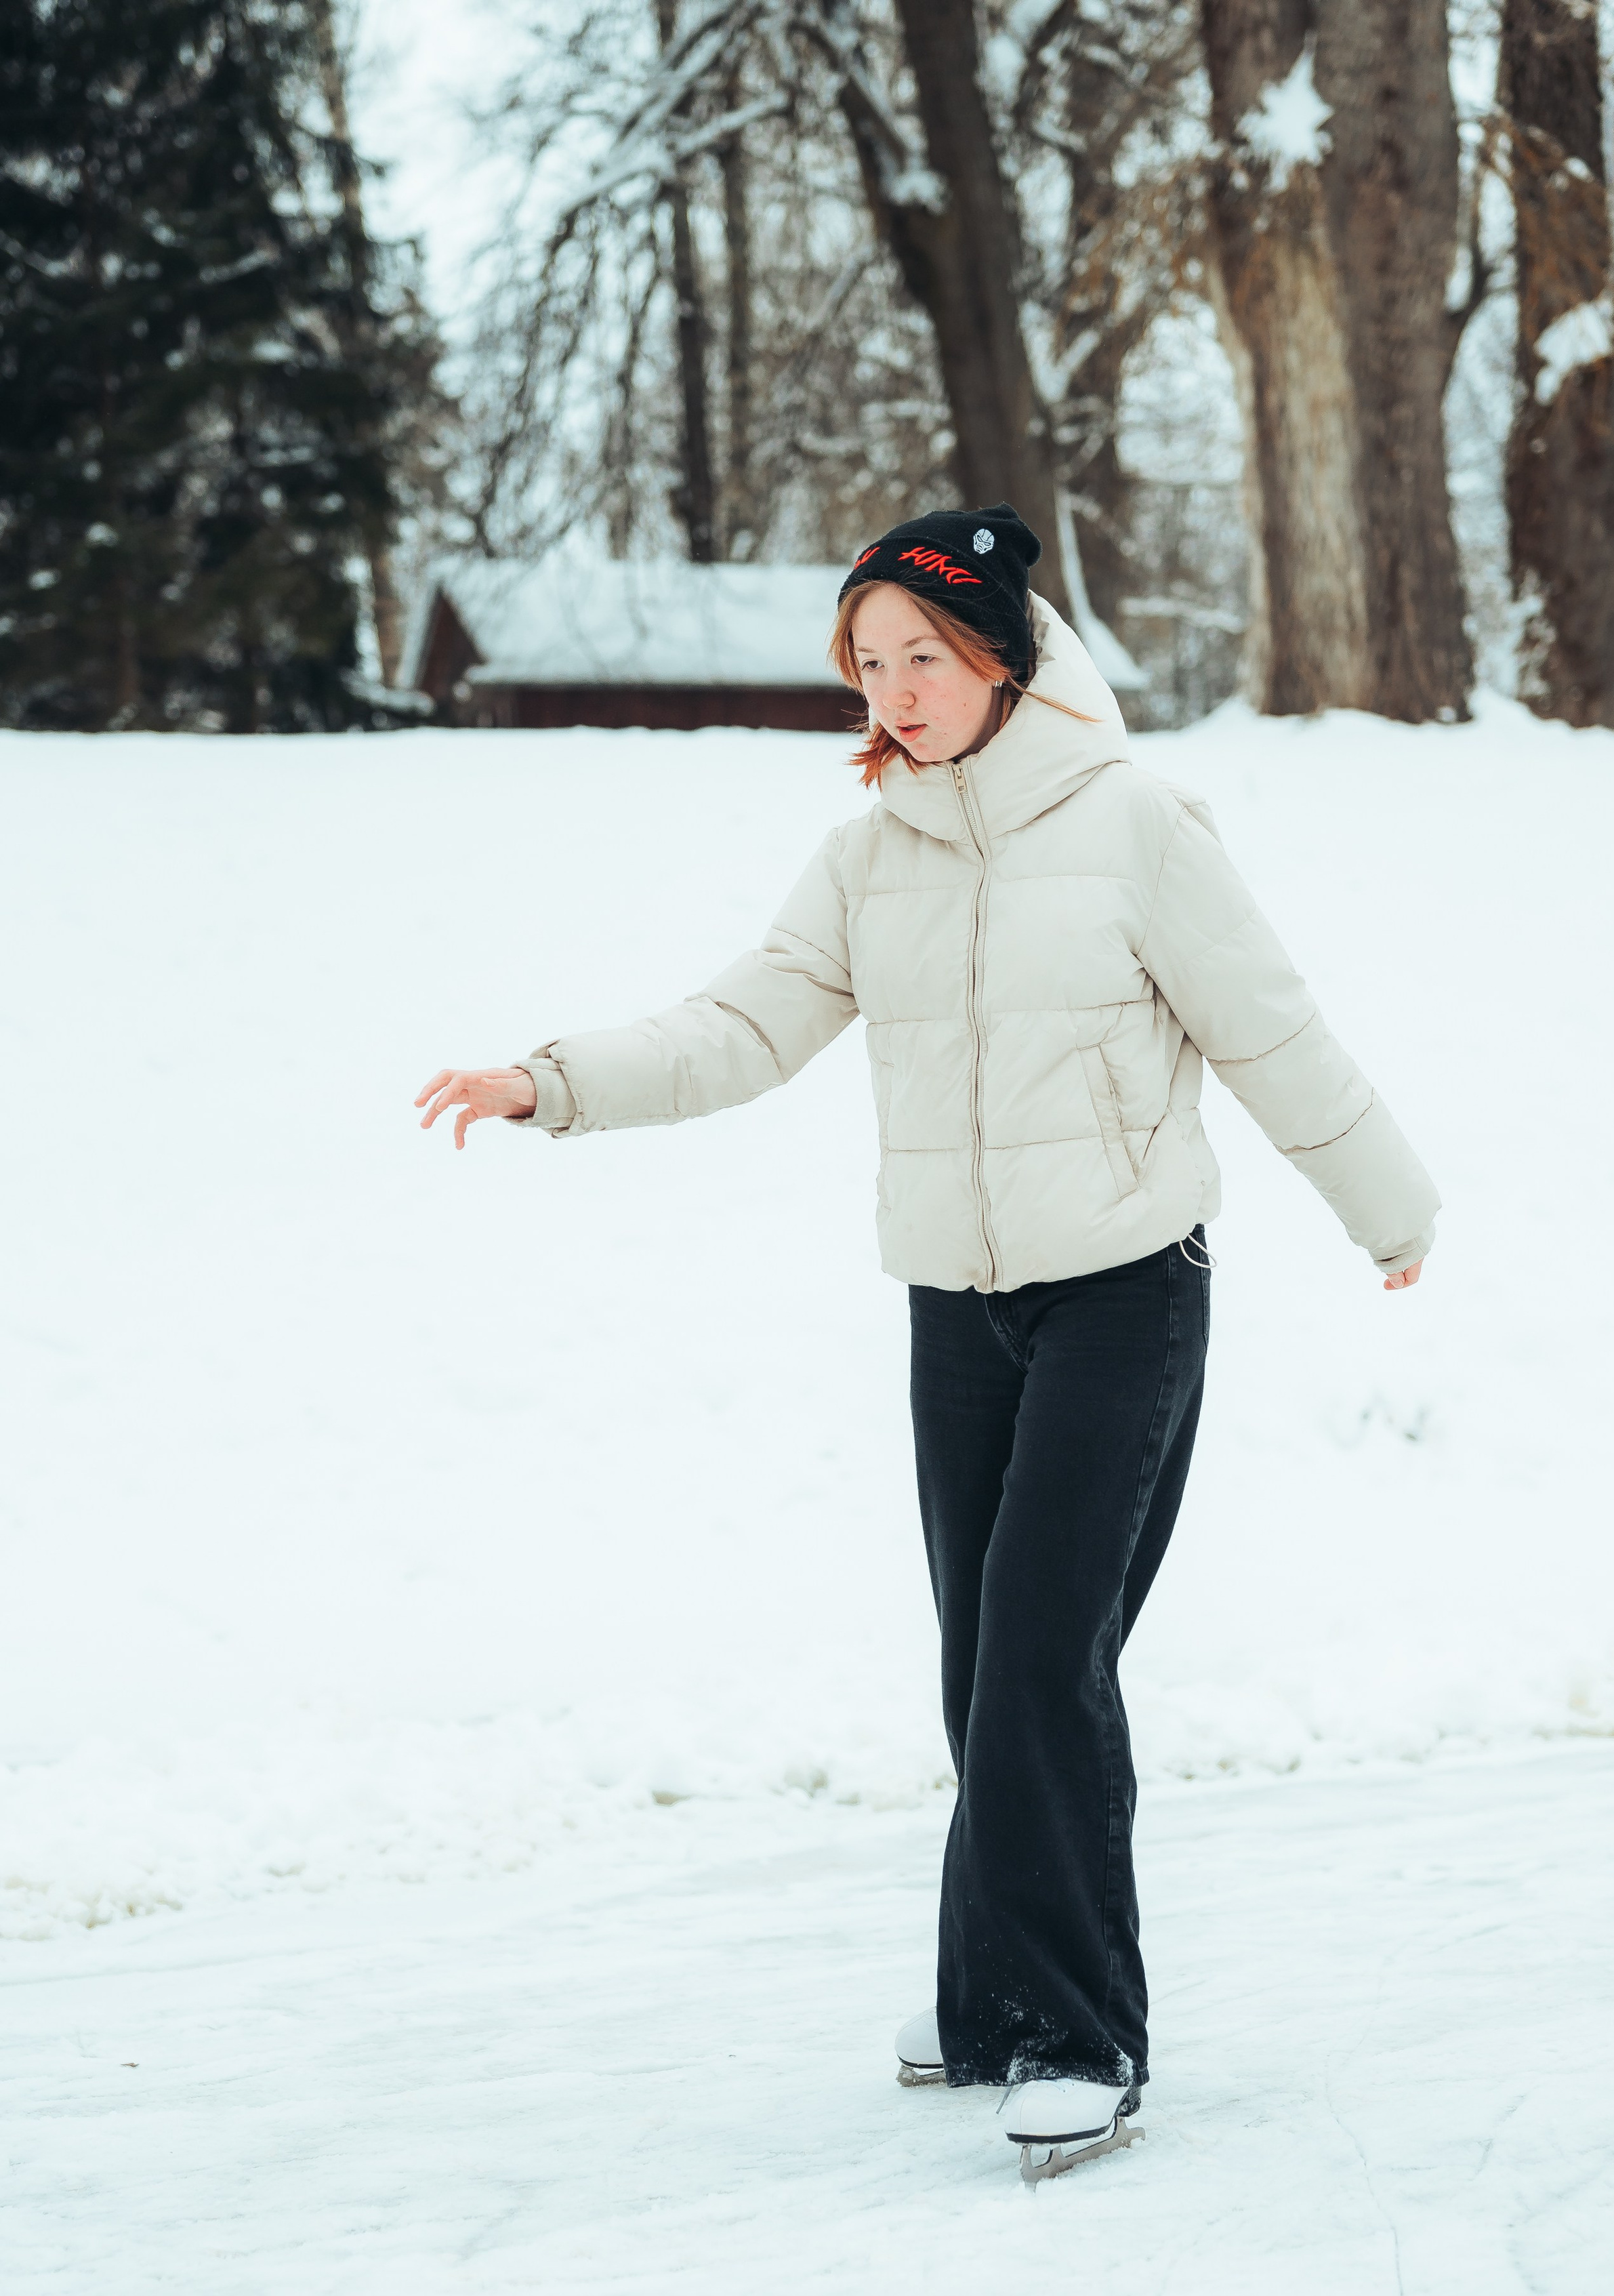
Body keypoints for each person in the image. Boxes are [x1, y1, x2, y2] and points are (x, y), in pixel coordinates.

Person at [417, 504, 1437, 2183]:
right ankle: (985, 2001)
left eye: (924, 658)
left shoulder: (1133, 825)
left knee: (1042, 1651)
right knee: (981, 1665)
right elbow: (746, 1025)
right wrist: (554, 1082)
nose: (892, 691)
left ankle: (1077, 2035)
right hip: (954, 1311)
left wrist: (1387, 1209)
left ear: (1003, 658)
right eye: (868, 662)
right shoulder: (868, 853)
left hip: (1122, 1290)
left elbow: (1268, 1027)